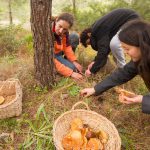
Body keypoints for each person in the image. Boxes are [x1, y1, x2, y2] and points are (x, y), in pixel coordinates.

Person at [80, 20, 150, 114]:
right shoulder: (141, 57)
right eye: (123, 48)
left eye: (127, 48)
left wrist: (143, 100)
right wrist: (95, 89)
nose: (125, 52)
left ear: (142, 45)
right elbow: (123, 73)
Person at [80, 8, 140, 77]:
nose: (91, 44)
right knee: (113, 47)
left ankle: (124, 71)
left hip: (132, 19)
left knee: (114, 44)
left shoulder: (98, 29)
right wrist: (95, 62)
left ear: (89, 34)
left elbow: (103, 51)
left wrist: (92, 71)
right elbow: (105, 49)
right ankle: (122, 69)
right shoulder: (97, 29)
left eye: (89, 43)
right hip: (128, 20)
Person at [52, 13, 83, 80]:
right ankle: (63, 67)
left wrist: (74, 61)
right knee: (72, 69)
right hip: (52, 55)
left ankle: (67, 61)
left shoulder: (65, 32)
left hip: (59, 51)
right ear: (56, 20)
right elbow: (50, 59)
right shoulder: (47, 31)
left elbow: (67, 47)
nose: (61, 31)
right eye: (60, 26)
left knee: (74, 36)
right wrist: (71, 73)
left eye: (65, 29)